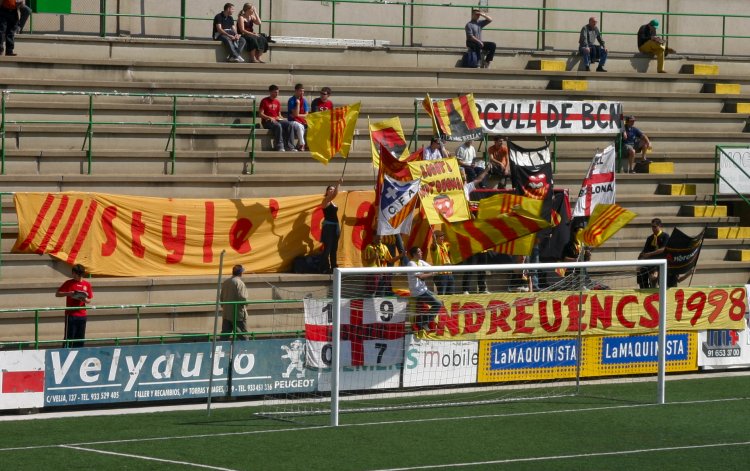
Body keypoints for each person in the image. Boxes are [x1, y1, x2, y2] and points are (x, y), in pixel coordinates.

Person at [56, 264, 93, 348]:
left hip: (82, 315)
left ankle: (79, 353)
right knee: (69, 337)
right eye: (77, 275)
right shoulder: (68, 283)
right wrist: (69, 293)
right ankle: (65, 353)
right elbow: (57, 294)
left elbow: (89, 299)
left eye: (80, 275)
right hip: (71, 314)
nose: (79, 277)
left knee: (80, 338)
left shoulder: (87, 284)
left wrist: (84, 300)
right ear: (73, 273)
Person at [407, 247, 443, 330]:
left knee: (440, 302)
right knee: (438, 304)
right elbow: (421, 277)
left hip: (424, 290)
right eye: (419, 251)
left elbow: (432, 268)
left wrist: (438, 269)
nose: (422, 252)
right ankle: (423, 322)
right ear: (414, 254)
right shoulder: (411, 264)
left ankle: (426, 321)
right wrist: (432, 274)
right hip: (418, 292)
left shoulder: (421, 262)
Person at [259, 84, 294, 151]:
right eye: (275, 92)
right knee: (278, 125)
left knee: (289, 124)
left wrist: (281, 118)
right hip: (267, 121)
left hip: (276, 120)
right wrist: (269, 117)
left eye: (278, 92)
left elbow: (279, 114)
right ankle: (279, 146)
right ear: (271, 92)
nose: (277, 93)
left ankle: (290, 146)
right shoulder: (264, 101)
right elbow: (261, 114)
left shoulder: (277, 102)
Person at [637, 218, 669, 289]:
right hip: (651, 263)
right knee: (641, 271)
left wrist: (650, 254)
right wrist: (640, 258)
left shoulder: (665, 236)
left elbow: (663, 249)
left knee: (660, 281)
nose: (653, 229)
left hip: (662, 262)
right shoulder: (650, 238)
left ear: (660, 226)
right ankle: (644, 289)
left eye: (655, 227)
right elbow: (645, 251)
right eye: (652, 227)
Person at [220, 264, 250, 340]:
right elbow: (243, 299)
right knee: (243, 335)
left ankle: (220, 350)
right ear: (241, 273)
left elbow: (221, 297)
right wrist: (245, 305)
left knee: (224, 335)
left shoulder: (226, 282)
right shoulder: (240, 283)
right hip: (237, 314)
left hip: (226, 313)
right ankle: (247, 349)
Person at [320, 179, 342, 274]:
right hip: (328, 228)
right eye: (330, 189)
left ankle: (333, 267)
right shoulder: (326, 201)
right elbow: (335, 194)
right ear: (327, 191)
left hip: (334, 228)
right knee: (327, 248)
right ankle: (325, 267)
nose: (332, 190)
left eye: (333, 189)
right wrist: (338, 183)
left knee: (334, 248)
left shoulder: (333, 202)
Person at [430, 230, 455, 295]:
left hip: (449, 273)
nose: (442, 238)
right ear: (436, 238)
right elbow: (434, 245)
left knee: (450, 295)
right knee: (442, 294)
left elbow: (453, 243)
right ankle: (441, 305)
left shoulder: (445, 245)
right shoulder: (434, 247)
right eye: (440, 236)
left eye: (443, 236)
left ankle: (447, 305)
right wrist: (433, 239)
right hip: (440, 274)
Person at [288, 83, 309, 151]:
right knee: (300, 127)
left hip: (302, 120)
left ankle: (305, 145)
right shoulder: (291, 100)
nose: (302, 93)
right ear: (296, 91)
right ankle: (302, 144)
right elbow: (295, 114)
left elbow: (306, 114)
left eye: (303, 91)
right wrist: (298, 104)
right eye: (300, 91)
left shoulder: (304, 100)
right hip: (292, 121)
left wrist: (298, 115)